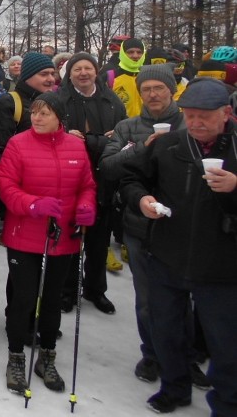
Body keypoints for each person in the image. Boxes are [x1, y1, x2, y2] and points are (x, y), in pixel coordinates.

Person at [120, 78, 237, 415]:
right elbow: (131, 179)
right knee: (166, 329)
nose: (197, 122)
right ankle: (174, 387)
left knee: (225, 341)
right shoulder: (168, 145)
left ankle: (227, 402)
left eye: (205, 116)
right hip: (167, 255)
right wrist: (141, 200)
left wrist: (235, 187)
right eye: (191, 115)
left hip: (222, 265)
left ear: (225, 113)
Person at [99, 64, 209, 389]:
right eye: (146, 89)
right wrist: (141, 146)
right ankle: (152, 354)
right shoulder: (128, 126)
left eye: (159, 88)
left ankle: (186, 358)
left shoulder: (193, 123)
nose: (152, 94)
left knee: (188, 298)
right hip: (141, 226)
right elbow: (107, 167)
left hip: (189, 229)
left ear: (172, 90)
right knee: (147, 298)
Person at [0, 91, 97, 395]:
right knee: (25, 297)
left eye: (44, 113)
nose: (36, 118)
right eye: (34, 112)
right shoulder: (18, 144)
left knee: (53, 300)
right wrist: (32, 204)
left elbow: (87, 186)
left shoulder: (76, 146)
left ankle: (47, 356)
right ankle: (16, 357)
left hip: (63, 236)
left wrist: (85, 207)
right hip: (25, 234)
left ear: (59, 118)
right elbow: (6, 186)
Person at [57, 52, 127, 315]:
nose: (83, 73)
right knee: (71, 238)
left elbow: (122, 135)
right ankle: (67, 291)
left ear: (95, 71)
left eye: (88, 68)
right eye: (77, 69)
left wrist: (112, 138)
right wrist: (64, 134)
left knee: (99, 241)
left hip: (104, 177)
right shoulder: (61, 99)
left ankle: (96, 290)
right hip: (71, 177)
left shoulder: (111, 100)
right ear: (70, 73)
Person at [101, 37, 146, 117]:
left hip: (145, 127)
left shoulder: (149, 76)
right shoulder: (110, 77)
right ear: (123, 53)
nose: (135, 56)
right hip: (118, 127)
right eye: (130, 52)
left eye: (139, 52)